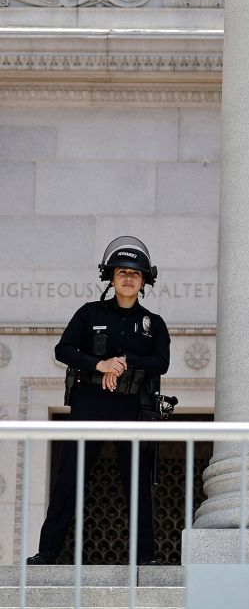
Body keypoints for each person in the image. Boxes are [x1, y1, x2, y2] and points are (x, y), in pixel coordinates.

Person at [27, 236, 170, 566]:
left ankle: (144, 557)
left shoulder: (153, 324)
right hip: (90, 402)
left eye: (136, 274)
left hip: (132, 407)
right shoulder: (89, 313)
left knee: (136, 481)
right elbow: (63, 349)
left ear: (145, 280)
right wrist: (99, 364)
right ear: (111, 277)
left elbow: (161, 363)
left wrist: (124, 362)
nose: (129, 278)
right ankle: (48, 552)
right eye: (122, 272)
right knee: (70, 478)